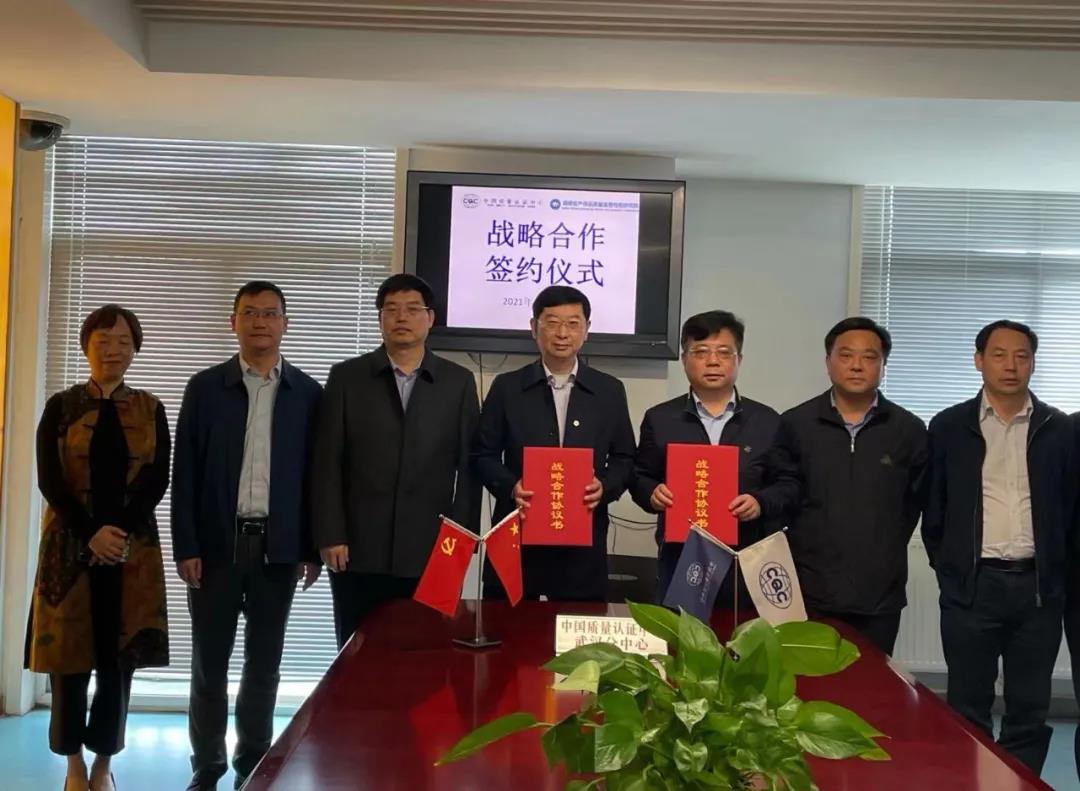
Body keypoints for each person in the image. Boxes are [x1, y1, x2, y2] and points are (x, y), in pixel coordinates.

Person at [172, 282, 322, 791]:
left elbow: (315, 477)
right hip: (216, 548)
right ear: (233, 323)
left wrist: (310, 548)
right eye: (250, 313)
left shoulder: (308, 394)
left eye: (270, 314)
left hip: (277, 551)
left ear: (286, 324)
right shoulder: (205, 388)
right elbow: (185, 471)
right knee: (208, 667)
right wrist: (186, 545)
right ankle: (206, 767)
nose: (260, 322)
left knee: (264, 667)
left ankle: (252, 766)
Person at [26, 304, 170, 791]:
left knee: (118, 663)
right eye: (103, 341)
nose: (114, 350)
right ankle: (73, 766)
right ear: (87, 346)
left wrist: (118, 531)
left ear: (135, 350)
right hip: (70, 549)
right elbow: (50, 479)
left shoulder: (150, 408)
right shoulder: (61, 406)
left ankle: (104, 764)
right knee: (68, 662)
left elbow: (157, 479)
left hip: (130, 552)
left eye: (124, 342)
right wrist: (91, 531)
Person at [924, 320, 1077, 774]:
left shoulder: (1060, 429)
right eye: (999, 354)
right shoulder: (949, 426)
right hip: (973, 587)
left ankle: (1019, 783)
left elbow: (1071, 508)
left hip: (1037, 589)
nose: (1011, 366)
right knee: (967, 705)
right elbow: (934, 507)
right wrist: (951, 568)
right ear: (979, 361)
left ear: (1032, 363)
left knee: (1029, 708)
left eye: (1021, 356)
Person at [312, 273, 480, 649]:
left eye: (412, 309)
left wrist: (461, 540)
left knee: (426, 653)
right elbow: (327, 462)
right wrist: (331, 533)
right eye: (391, 309)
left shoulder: (457, 382)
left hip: (433, 548)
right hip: (358, 547)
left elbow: (469, 469)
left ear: (430, 318)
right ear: (380, 319)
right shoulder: (347, 377)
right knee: (357, 653)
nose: (402, 317)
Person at [472, 285, 636, 601]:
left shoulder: (609, 390)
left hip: (583, 544)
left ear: (586, 330)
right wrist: (511, 486)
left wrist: (604, 486)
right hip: (518, 536)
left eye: (573, 323)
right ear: (534, 328)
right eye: (552, 322)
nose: (562, 333)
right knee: (509, 628)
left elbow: (625, 457)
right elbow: (483, 454)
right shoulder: (507, 388)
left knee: (577, 627)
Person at [775, 316, 927, 655]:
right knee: (809, 681)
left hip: (879, 594)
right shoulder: (795, 424)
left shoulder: (908, 430)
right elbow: (783, 498)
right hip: (809, 590)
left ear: (883, 365)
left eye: (869, 357)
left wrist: (881, 548)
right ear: (828, 362)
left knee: (871, 682)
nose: (857, 365)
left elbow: (914, 505)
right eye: (846, 355)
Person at [632, 310, 794, 602]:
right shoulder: (660, 419)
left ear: (739, 360)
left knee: (742, 630)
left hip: (746, 559)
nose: (713, 361)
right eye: (701, 351)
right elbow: (639, 476)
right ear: (684, 359)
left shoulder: (767, 420)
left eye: (724, 352)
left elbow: (788, 483)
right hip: (680, 556)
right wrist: (652, 493)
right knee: (678, 629)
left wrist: (760, 502)